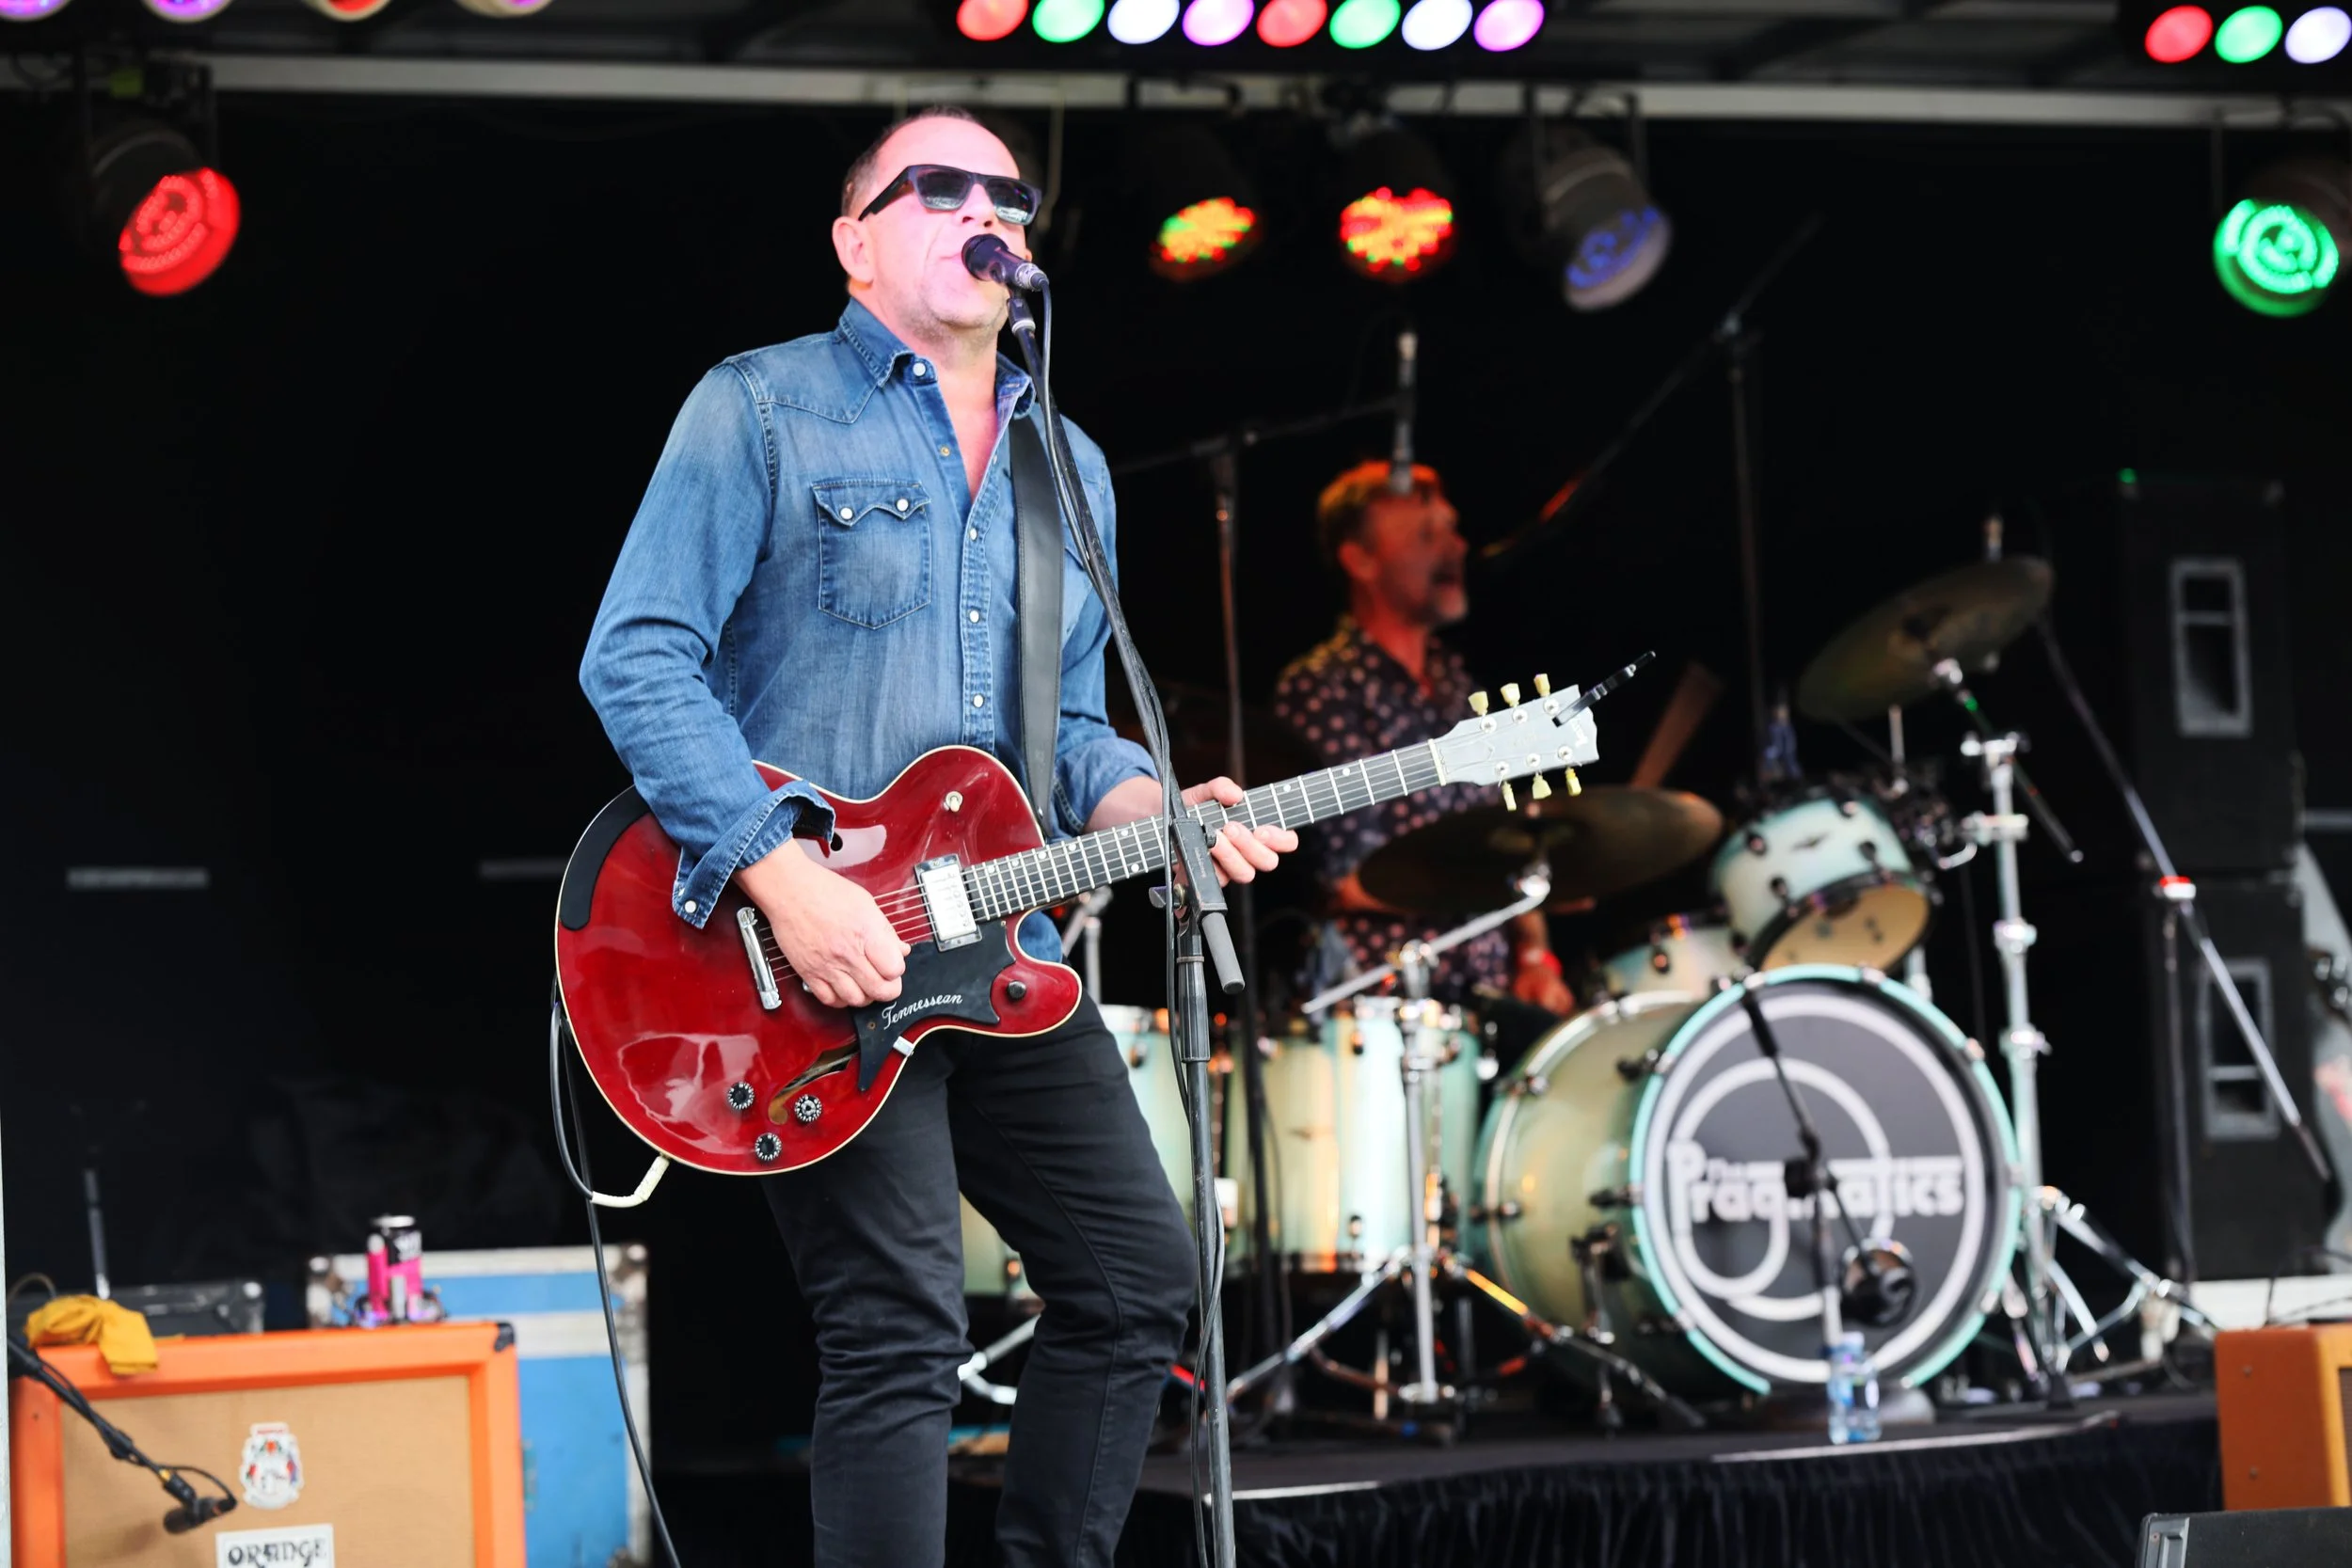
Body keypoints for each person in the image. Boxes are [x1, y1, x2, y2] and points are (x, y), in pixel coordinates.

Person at [578, 106, 1295, 1568]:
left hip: (1001, 949)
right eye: (943, 188)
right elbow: (636, 658)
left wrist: (1159, 812)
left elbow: (1069, 735)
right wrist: (784, 879)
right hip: (811, 957)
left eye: (1013, 199)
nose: (991, 214)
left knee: (1142, 1278)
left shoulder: (1069, 464)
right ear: (853, 238)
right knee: (900, 1314)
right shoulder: (764, 405)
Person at [1271, 460, 1575, 1013]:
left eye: (1453, 530)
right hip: (1378, 1008)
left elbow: (1505, 836)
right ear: (1360, 559)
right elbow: (1344, 878)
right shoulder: (1323, 688)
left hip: (1485, 1001)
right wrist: (1482, 879)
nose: (1455, 548)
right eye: (1426, 536)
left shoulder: (1461, 686)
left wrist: (1534, 957)